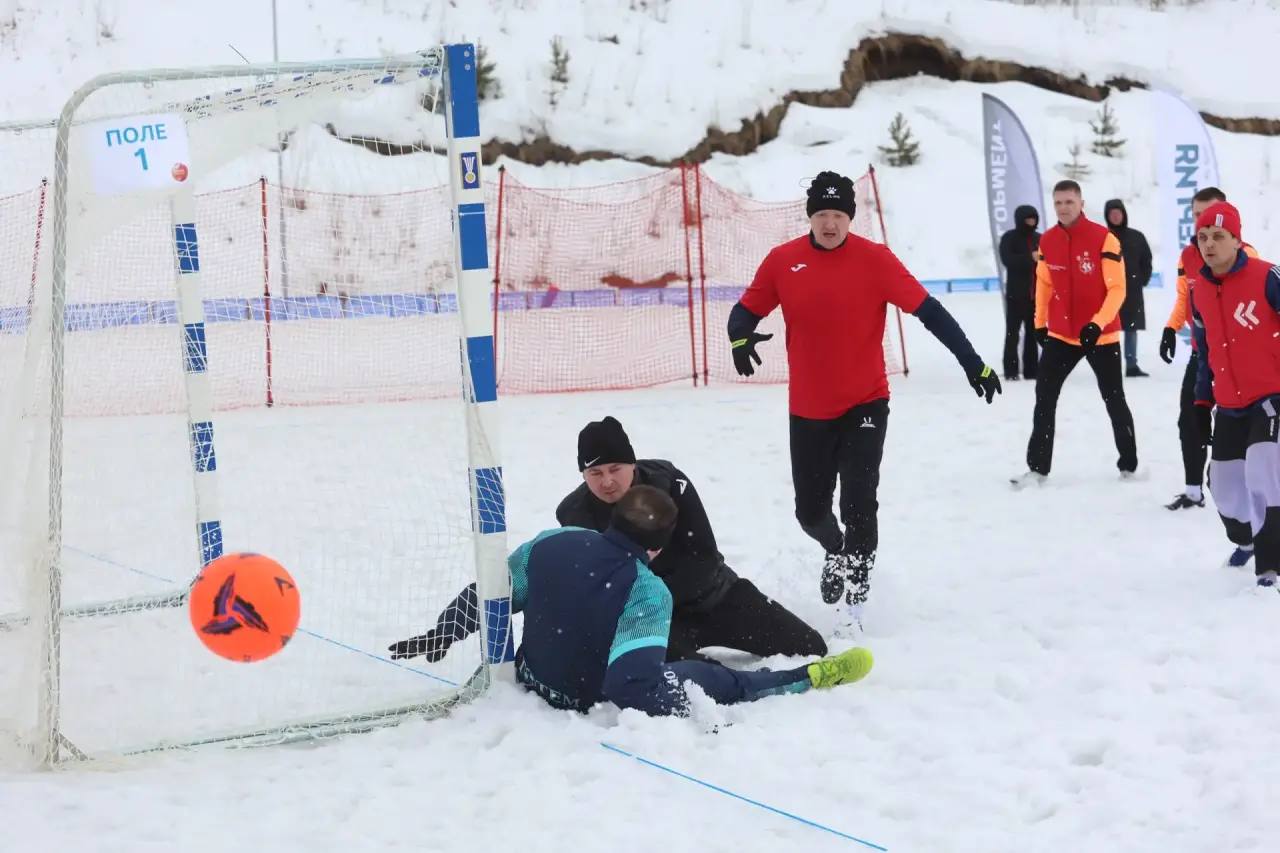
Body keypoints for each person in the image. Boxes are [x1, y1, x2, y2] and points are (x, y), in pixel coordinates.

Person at [726, 169, 1001, 628]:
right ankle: (834, 550)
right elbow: (745, 311)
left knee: (859, 500)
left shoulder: (876, 261)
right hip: (809, 410)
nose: (829, 223)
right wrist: (740, 338)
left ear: (850, 218)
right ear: (810, 216)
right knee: (810, 512)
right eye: (821, 214)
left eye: (838, 214)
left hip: (865, 403)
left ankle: (855, 601)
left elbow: (930, 312)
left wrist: (971, 361)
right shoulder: (782, 261)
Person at [388, 485, 876, 715]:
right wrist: (697, 697)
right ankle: (802, 678)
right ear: (659, 548)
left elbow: (491, 594)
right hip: (581, 698)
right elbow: (629, 687)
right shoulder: (648, 589)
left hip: (531, 680)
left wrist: (444, 630)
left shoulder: (550, 542)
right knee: (716, 676)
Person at [555, 417, 827, 661]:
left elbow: (705, 558)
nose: (607, 482)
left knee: (811, 647)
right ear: (583, 474)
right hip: (658, 620)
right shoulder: (575, 514)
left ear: (632, 463)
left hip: (716, 597)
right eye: (595, 473)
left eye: (615, 469)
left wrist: (653, 593)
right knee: (700, 678)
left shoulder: (668, 481)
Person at [1010, 180, 1138, 488]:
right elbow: (1044, 284)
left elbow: (1118, 289)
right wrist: (1040, 322)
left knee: (1114, 398)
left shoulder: (1103, 238)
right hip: (1062, 335)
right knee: (1044, 397)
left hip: (1101, 335)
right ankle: (1038, 468)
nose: (1063, 207)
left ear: (1081, 202)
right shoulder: (1048, 241)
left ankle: (1129, 465)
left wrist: (1097, 323)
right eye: (1058, 203)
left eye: (1069, 201)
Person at [1188, 201, 1280, 587]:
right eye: (1203, 237)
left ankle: (1270, 566)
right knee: (1224, 489)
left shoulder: (1268, 277)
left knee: (1264, 474)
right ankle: (1248, 541)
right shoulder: (1199, 291)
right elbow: (1204, 353)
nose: (1209, 245)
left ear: (1237, 240)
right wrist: (1200, 401)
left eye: (1218, 237)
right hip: (1228, 403)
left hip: (1271, 397)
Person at [1158, 187, 1259, 513]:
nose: (1204, 219)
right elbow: (1185, 298)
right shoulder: (1188, 257)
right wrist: (1171, 328)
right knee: (1190, 417)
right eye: (1198, 213)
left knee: (1244, 424)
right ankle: (1193, 490)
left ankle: (1247, 490)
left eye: (1212, 211)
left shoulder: (1249, 255)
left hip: (1240, 357)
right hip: (1204, 352)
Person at [1103, 198, 1154, 378]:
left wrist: (1142, 280)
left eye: (1118, 213)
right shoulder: (1102, 237)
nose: (1116, 216)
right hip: (1108, 291)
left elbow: (1146, 261)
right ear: (1107, 216)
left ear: (1124, 214)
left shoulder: (1136, 236)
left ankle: (1131, 365)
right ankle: (1109, 366)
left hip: (1132, 291)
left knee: (1130, 329)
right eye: (1112, 214)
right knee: (1109, 330)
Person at [999, 205, 1042, 381]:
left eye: (1033, 218)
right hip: (1016, 295)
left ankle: (1032, 370)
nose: (1031, 222)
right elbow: (1007, 259)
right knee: (1012, 333)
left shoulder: (1040, 238)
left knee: (1033, 335)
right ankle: (1011, 370)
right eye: (1028, 219)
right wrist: (1028, 258)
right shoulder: (1009, 238)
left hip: (1036, 295)